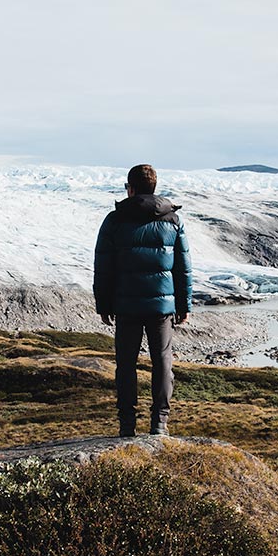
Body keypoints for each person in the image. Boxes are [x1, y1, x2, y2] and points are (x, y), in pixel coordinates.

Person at [93, 163, 192, 437]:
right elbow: (182, 267)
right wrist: (184, 306)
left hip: (125, 305)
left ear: (131, 188)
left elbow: (103, 266)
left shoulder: (114, 220)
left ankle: (127, 425)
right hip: (161, 307)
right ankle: (159, 423)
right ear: (154, 188)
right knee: (162, 362)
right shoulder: (172, 220)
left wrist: (103, 304)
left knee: (126, 365)